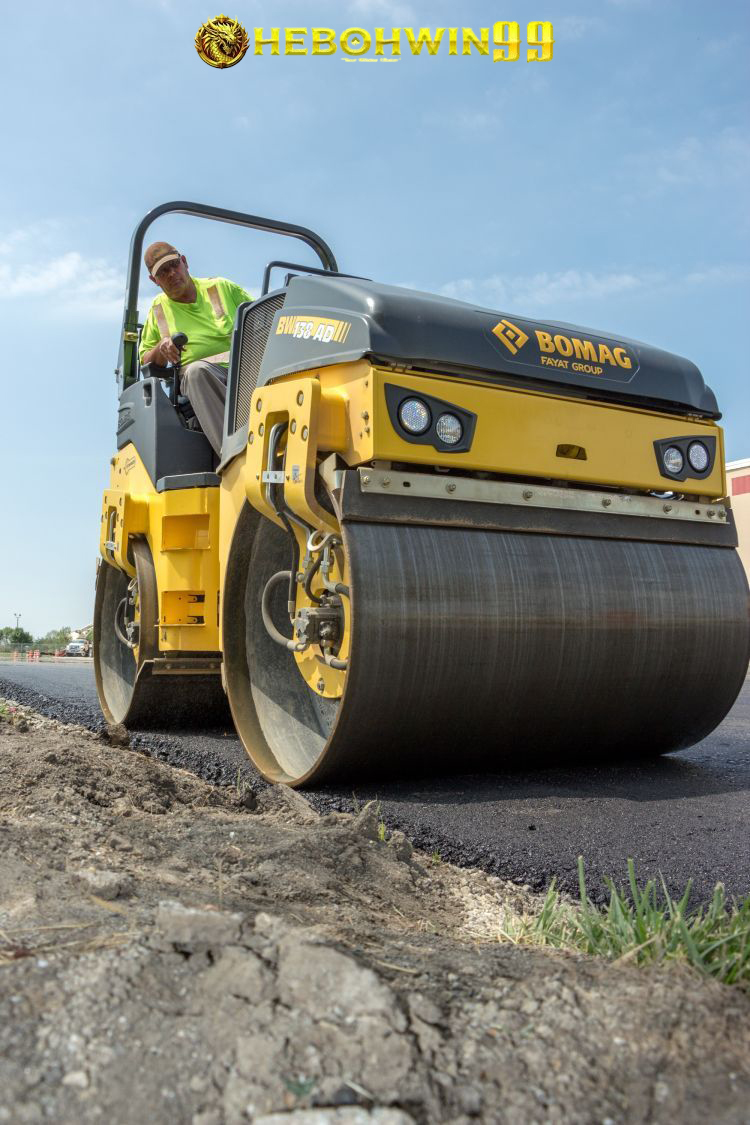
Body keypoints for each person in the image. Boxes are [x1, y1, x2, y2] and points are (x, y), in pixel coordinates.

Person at [139, 242, 253, 454]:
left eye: (174, 265)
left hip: (245, 370)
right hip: (201, 378)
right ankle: (235, 458)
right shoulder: (158, 310)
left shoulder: (221, 287)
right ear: (154, 280)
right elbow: (146, 361)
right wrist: (161, 346)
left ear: (185, 262)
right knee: (196, 372)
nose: (172, 273)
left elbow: (262, 319)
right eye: (163, 272)